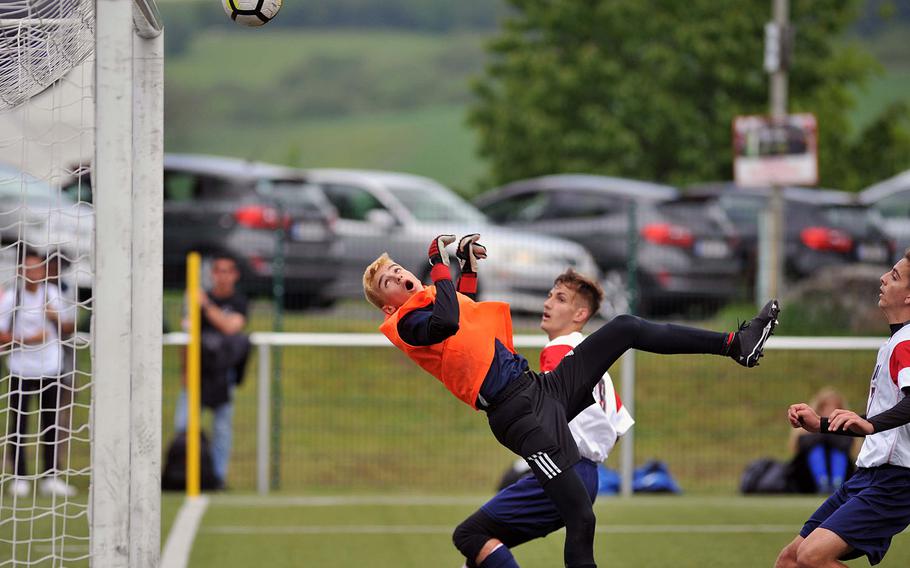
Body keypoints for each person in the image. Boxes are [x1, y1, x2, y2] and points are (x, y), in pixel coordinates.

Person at [363, 234, 781, 568]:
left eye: (398, 268)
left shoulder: (432, 304)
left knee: (626, 327)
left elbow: (465, 309)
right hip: (519, 415)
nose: (399, 274)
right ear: (387, 305)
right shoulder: (408, 323)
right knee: (580, 518)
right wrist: (438, 259)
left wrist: (466, 265)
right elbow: (448, 320)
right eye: (388, 280)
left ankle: (736, 344)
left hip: (539, 390)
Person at [453, 268, 634, 568]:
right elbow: (618, 427)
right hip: (588, 477)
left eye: (560, 299)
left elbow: (543, 414)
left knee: (472, 535)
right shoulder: (593, 363)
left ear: (580, 314)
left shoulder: (560, 351)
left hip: (563, 471)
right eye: (550, 295)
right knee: (481, 550)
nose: (548, 303)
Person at [777, 249, 910, 568]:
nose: (882, 279)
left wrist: (871, 426)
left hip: (896, 481)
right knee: (791, 560)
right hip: (867, 476)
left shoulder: (907, 344)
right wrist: (820, 424)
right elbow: (877, 419)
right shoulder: (893, 343)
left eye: (894, 277)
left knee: (813, 557)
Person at [0, 248, 78, 498]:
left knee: (51, 423)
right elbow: (2, 336)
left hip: (50, 367)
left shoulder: (53, 294)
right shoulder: (13, 297)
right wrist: (28, 339)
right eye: (29, 269)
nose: (34, 273)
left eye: (38, 268)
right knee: (19, 424)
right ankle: (20, 477)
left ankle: (51, 475)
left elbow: (69, 326)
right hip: (20, 369)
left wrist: (54, 317)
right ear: (22, 272)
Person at [173, 254, 251, 490]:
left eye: (228, 271)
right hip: (197, 373)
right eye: (219, 270)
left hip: (221, 374)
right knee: (183, 425)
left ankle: (217, 477)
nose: (223, 276)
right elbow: (187, 335)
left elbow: (230, 326)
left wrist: (206, 305)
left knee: (222, 428)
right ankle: (183, 474)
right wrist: (185, 371)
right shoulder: (196, 302)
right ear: (212, 274)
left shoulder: (238, 302)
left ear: (235, 275)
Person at [787, 388, 856, 494]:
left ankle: (836, 483)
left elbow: (846, 445)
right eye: (825, 407)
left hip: (842, 474)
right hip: (807, 477)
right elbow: (801, 445)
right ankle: (822, 483)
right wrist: (823, 429)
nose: (829, 411)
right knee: (816, 449)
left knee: (838, 450)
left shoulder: (848, 428)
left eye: (834, 407)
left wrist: (828, 431)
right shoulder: (806, 427)